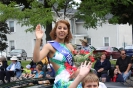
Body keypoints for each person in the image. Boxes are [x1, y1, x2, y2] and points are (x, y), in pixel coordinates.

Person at [33, 20, 82, 87]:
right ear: (55, 30)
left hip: (73, 79)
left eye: (65, 28)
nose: (62, 30)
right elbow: (36, 59)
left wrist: (78, 71)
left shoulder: (70, 46)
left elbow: (76, 64)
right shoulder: (49, 46)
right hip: (61, 82)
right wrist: (38, 39)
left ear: (67, 32)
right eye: (59, 28)